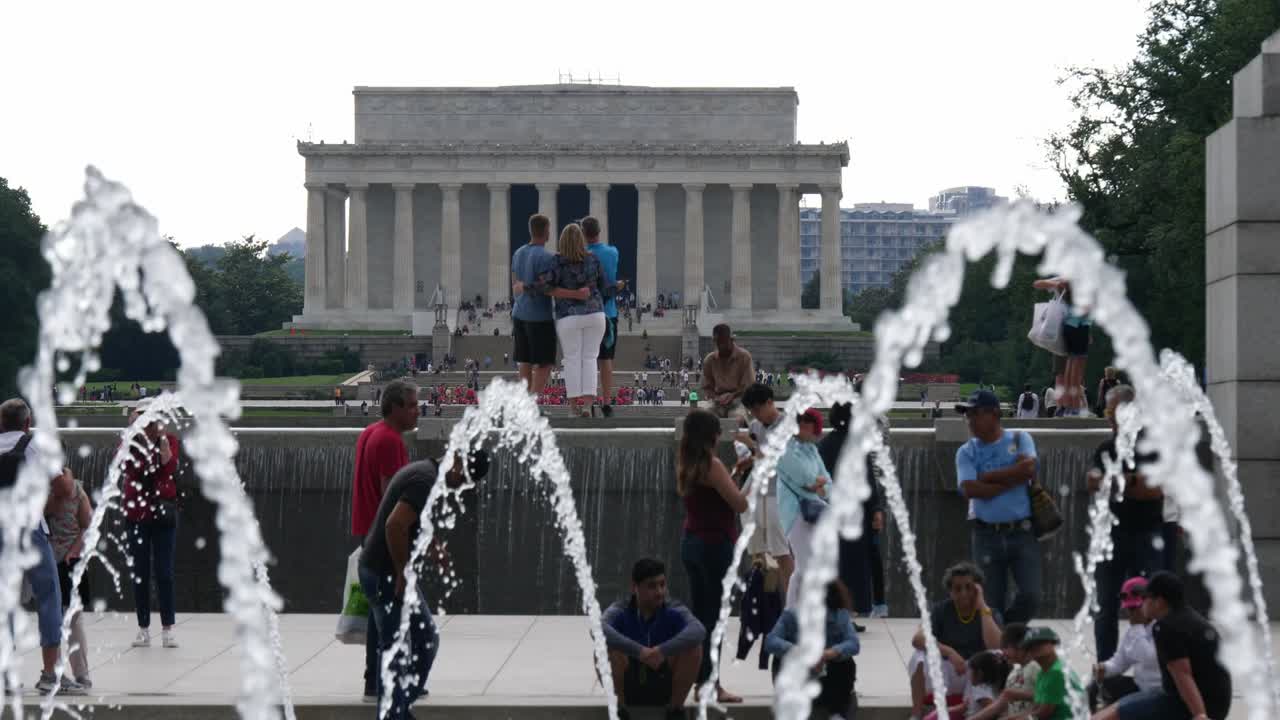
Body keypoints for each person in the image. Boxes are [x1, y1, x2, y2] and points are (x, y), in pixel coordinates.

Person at [359, 450, 489, 720]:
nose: (460, 486)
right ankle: (393, 715)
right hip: (384, 574)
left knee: (425, 639)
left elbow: (409, 522)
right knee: (395, 650)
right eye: (463, 479)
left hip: (388, 572)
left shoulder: (426, 472)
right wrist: (402, 573)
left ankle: (400, 709)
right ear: (457, 461)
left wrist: (432, 547)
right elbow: (394, 526)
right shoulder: (424, 481)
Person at [0, 398, 86, 695]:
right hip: (29, 529)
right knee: (49, 596)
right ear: (27, 423)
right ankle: (51, 674)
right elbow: (64, 487)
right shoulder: (33, 446)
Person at [350, 379, 419, 702]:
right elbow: (393, 499)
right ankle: (393, 682)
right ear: (395, 408)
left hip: (368, 531)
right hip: (385, 538)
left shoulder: (369, 432)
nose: (418, 412)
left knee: (380, 614)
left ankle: (374, 679)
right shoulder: (391, 442)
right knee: (392, 615)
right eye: (412, 406)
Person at [676, 409, 748, 704]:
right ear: (712, 435)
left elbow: (712, 494)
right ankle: (711, 685)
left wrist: (736, 474)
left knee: (700, 617)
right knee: (714, 620)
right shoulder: (713, 464)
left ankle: (700, 682)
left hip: (692, 544)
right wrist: (756, 475)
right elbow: (740, 504)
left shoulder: (687, 461)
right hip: (715, 546)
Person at [1088, 385, 1164, 662]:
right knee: (1106, 606)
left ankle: (1152, 667)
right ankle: (1105, 670)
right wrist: (1132, 481)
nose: (1108, 417)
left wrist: (1115, 481)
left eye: (1113, 411)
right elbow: (1092, 483)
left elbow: (1154, 490)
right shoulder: (1105, 448)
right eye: (1107, 411)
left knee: (1151, 605)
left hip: (1146, 535)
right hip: (1111, 537)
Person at [955, 390, 1042, 623]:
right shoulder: (966, 451)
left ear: (994, 414)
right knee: (991, 603)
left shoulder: (1020, 438)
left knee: (1031, 596)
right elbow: (969, 489)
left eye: (974, 414)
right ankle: (999, 649)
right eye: (967, 415)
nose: (969, 420)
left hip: (1022, 532)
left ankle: (1006, 635)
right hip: (986, 536)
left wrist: (987, 476)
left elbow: (1029, 469)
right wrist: (1011, 481)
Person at [1094, 572, 1231, 720]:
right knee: (1117, 705)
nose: (1142, 603)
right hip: (1213, 702)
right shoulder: (1189, 618)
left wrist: (1200, 715)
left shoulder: (1166, 627)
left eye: (1145, 599)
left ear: (1159, 602)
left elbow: (1183, 676)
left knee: (1111, 715)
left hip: (1188, 703)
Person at [516, 223, 608, 417]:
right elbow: (603, 285)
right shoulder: (593, 259)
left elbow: (545, 287)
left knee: (572, 360)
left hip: (569, 316)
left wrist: (525, 287)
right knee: (590, 359)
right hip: (595, 314)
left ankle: (574, 407)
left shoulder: (557, 261)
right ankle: (588, 405)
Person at [602, 558, 706, 720]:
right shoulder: (620, 609)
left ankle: (675, 711)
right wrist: (640, 652)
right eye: (652, 586)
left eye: (662, 584)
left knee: (694, 647)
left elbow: (698, 630)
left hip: (665, 685)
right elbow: (598, 628)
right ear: (634, 587)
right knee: (603, 648)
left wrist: (661, 651)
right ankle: (619, 711)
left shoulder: (674, 608)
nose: (659, 592)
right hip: (630, 687)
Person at [907, 562, 1002, 720]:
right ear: (950, 591)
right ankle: (916, 714)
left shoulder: (988, 612)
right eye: (957, 589)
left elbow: (997, 645)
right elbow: (918, 639)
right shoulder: (941, 610)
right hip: (947, 672)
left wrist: (982, 606)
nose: (963, 593)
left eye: (969, 587)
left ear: (977, 589)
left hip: (975, 675)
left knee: (995, 655)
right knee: (918, 657)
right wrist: (949, 652)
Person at [122, 402, 182, 649]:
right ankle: (143, 627)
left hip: (164, 515)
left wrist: (163, 446)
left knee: (164, 572)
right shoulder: (131, 443)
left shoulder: (170, 440)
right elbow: (128, 469)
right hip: (136, 515)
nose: (149, 427)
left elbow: (168, 469)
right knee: (141, 573)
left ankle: (167, 628)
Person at [818, 402, 884, 624]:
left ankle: (834, 613)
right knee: (854, 568)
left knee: (834, 565)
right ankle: (848, 613)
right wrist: (875, 509)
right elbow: (867, 482)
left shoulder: (824, 445)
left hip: (831, 513)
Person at [764, 581, 861, 720]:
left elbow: (853, 644)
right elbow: (771, 641)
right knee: (781, 660)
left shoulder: (840, 615)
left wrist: (830, 653)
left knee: (847, 664)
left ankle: (838, 715)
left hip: (827, 681)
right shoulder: (791, 615)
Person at [738, 383, 796, 600]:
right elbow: (759, 459)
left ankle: (790, 603)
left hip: (777, 493)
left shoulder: (787, 426)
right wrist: (747, 461)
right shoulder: (755, 426)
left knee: (781, 551)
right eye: (751, 411)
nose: (755, 415)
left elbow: (778, 460)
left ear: (770, 403)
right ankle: (765, 602)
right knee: (758, 552)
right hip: (755, 493)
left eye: (757, 409)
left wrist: (754, 449)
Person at [775, 409, 831, 609]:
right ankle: (796, 612)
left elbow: (826, 482)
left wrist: (818, 484)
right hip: (794, 514)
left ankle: (794, 612)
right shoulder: (785, 449)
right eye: (803, 425)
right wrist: (815, 483)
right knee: (805, 565)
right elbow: (805, 478)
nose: (808, 430)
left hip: (813, 512)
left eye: (810, 425)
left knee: (804, 566)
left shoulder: (812, 450)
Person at [45, 460, 94, 688]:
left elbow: (86, 525)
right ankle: (80, 673)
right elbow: (88, 525)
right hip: (68, 560)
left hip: (58, 560)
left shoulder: (49, 492)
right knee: (73, 619)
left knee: (59, 618)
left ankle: (61, 672)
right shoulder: (76, 489)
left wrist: (72, 551)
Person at [1089, 577, 1160, 711]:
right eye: (1129, 608)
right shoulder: (1132, 631)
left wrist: (1138, 627)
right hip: (1140, 687)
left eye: (1135, 607)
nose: (1131, 613)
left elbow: (1148, 658)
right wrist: (1104, 668)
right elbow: (1120, 662)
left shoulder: (1160, 627)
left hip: (1159, 692)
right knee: (1096, 687)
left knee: (1123, 708)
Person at [511, 213, 561, 395]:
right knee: (545, 362)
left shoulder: (518, 253)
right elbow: (545, 286)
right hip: (539, 316)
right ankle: (532, 403)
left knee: (524, 360)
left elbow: (514, 282)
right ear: (547, 232)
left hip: (519, 313)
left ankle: (525, 402)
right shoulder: (547, 257)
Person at [583, 216, 625, 417]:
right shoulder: (612, 252)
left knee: (588, 359)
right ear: (599, 231)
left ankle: (588, 403)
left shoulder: (580, 255)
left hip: (585, 312)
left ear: (583, 234)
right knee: (606, 359)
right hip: (608, 313)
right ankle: (606, 402)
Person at [1033, 277, 1090, 415]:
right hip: (1079, 325)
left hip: (1067, 325)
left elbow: (1037, 283)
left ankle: (1069, 406)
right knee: (1076, 370)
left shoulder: (1068, 279)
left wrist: (1057, 284)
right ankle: (1074, 406)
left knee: (1070, 365)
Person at [969, 623, 1040, 720]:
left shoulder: (1036, 668)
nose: (1003, 652)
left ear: (1021, 645)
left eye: (1006, 647)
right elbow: (1000, 705)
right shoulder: (1014, 674)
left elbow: (1047, 699)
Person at [924, 649, 1010, 720]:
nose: (968, 674)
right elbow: (963, 707)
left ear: (980, 673)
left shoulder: (980, 688)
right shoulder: (991, 687)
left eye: (970, 670)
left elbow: (993, 710)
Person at [1019, 626, 1083, 720]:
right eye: (1030, 646)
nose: (1035, 647)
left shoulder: (1056, 671)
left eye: (1040, 643)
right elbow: (1036, 708)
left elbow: (1043, 714)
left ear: (1053, 644)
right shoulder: (1043, 672)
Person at [700, 324, 754, 418]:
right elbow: (706, 387)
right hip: (716, 401)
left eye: (723, 342)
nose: (720, 346)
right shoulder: (709, 360)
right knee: (705, 418)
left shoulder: (744, 357)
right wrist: (716, 397)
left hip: (739, 400)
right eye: (717, 342)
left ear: (730, 340)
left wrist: (732, 395)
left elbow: (749, 386)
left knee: (736, 418)